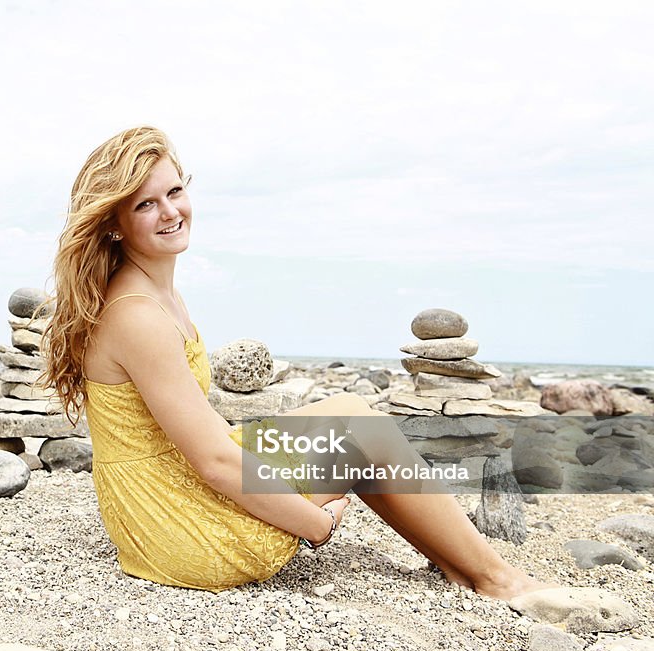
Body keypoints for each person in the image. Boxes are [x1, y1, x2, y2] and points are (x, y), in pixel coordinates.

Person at [42, 125, 553, 598]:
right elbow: (214, 463)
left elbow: (199, 435)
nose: (170, 212)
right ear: (113, 224)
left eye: (174, 192)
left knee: (351, 409)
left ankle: (460, 563)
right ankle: (495, 578)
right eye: (145, 205)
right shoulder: (138, 316)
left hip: (167, 493)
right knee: (364, 435)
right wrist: (316, 524)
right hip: (179, 525)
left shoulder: (150, 292)